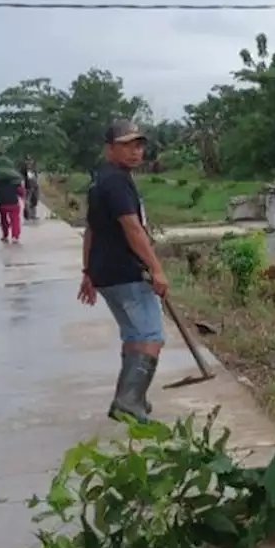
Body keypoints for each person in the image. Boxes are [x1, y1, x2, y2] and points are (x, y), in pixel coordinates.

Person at [76, 120, 169, 423]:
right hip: (126, 272)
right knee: (151, 335)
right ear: (110, 148)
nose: (136, 151)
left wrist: (88, 271)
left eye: (139, 145)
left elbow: (91, 229)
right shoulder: (116, 181)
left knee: (133, 334)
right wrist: (157, 269)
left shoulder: (99, 179)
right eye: (128, 145)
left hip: (106, 273)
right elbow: (132, 228)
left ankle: (131, 397)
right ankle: (129, 400)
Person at [0, 161, 25, 244]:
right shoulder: (15, 178)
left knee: (3, 220)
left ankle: (5, 236)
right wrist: (24, 198)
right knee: (15, 220)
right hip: (13, 202)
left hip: (2, 203)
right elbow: (20, 191)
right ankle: (15, 237)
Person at [20, 156, 40, 221]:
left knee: (34, 201)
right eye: (28, 160)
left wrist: (36, 185)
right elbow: (28, 178)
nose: (30, 162)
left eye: (31, 160)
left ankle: (33, 215)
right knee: (28, 201)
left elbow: (35, 178)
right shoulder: (25, 169)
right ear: (25, 161)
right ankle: (28, 215)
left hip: (34, 187)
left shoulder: (33, 168)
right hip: (28, 187)